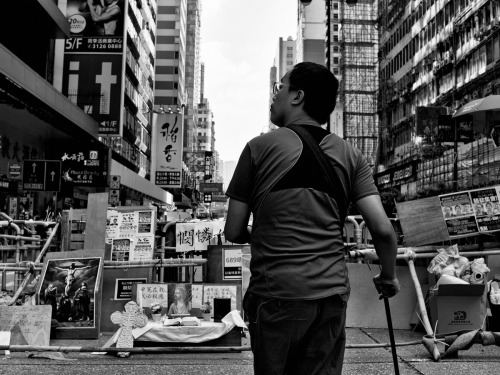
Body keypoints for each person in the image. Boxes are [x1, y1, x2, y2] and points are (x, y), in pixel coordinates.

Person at [224, 62, 400, 375]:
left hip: (277, 294)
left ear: (297, 96)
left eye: (280, 88)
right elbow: (383, 231)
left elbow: (234, 231)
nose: (275, 95)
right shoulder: (351, 155)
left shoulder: (257, 149)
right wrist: (388, 277)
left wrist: (269, 232)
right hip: (330, 297)